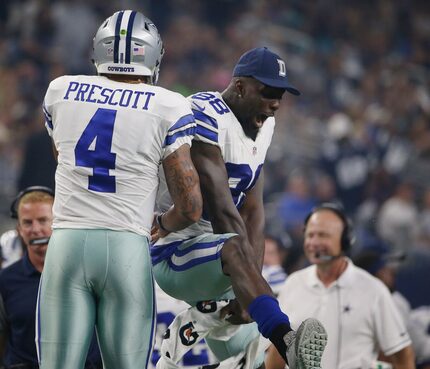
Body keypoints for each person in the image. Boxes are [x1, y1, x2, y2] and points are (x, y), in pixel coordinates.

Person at [37, 10, 203, 369]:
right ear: (153, 55)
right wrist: (165, 223)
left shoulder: (60, 90)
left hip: (67, 244)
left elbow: (61, 154)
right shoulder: (169, 104)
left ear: (98, 51)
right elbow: (190, 206)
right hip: (127, 247)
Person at [151, 47, 327, 369]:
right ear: (240, 86)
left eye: (281, 96)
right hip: (174, 252)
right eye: (268, 92)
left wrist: (249, 287)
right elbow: (222, 210)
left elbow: (253, 211)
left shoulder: (265, 126)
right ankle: (286, 340)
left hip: (218, 258)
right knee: (237, 255)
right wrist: (250, 288)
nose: (275, 103)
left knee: (249, 355)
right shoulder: (204, 113)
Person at [265, 203, 415, 369]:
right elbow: (277, 351)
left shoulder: (373, 290)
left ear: (345, 241)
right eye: (310, 235)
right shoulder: (294, 283)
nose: (314, 242)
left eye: (323, 235)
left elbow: (402, 355)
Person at [0, 187, 102, 369]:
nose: (36, 229)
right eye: (28, 223)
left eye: (42, 220)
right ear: (19, 229)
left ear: (58, 222)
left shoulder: (91, 272)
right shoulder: (5, 281)